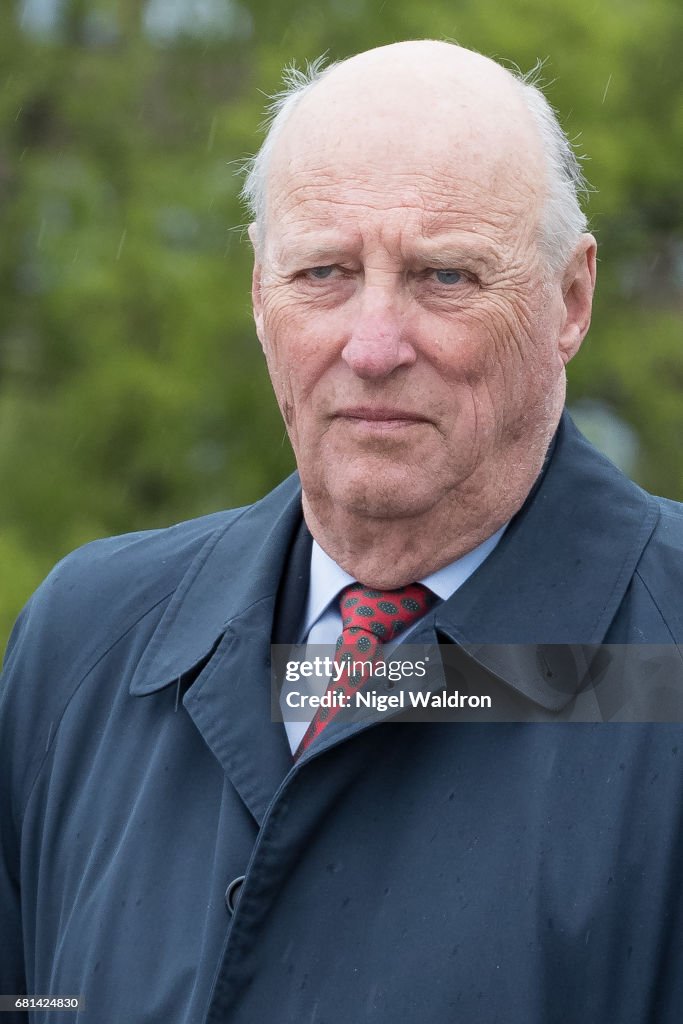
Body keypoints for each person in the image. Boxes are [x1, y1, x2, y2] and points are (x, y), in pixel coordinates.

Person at [1, 38, 682, 1024]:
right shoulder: (87, 642)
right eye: (321, 271)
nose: (369, 347)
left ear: (567, 301)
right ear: (257, 293)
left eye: (443, 277)